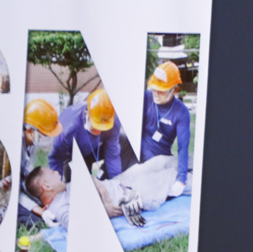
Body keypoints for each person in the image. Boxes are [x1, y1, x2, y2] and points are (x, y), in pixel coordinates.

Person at [26, 155, 189, 229]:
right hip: (132, 194)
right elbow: (77, 226)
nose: (56, 173)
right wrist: (101, 209)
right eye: (51, 173)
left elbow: (85, 177)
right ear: (46, 187)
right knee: (172, 177)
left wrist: (95, 181)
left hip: (121, 181)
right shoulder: (60, 208)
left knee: (159, 161)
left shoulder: (63, 188)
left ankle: (201, 158)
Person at [6, 99, 64, 227]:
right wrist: (38, 210)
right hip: (4, 195)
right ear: (30, 130)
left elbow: (25, 178)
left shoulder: (30, 145)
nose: (48, 138)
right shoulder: (12, 150)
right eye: (45, 134)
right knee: (35, 222)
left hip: (18, 189)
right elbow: (13, 190)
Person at [49, 89, 122, 182]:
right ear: (87, 112)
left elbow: (113, 154)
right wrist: (57, 184)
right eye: (96, 125)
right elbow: (56, 158)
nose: (99, 130)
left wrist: (117, 182)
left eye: (103, 127)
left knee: (123, 141)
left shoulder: (112, 121)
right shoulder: (68, 129)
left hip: (95, 150)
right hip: (72, 156)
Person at [142, 61, 190, 197]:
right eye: (154, 88)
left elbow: (183, 147)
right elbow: (135, 134)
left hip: (161, 159)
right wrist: (147, 158)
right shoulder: (145, 98)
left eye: (161, 90)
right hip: (140, 153)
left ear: (174, 90)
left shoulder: (181, 112)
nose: (156, 93)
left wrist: (181, 180)